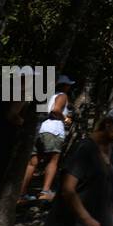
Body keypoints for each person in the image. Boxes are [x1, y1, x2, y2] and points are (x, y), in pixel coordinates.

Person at [20, 74, 76, 202]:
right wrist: (66, 119)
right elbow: (56, 110)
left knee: (33, 162)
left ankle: (21, 193)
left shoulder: (48, 96)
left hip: (41, 128)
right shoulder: (62, 95)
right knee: (53, 160)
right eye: (68, 85)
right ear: (64, 86)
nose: (69, 87)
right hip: (53, 130)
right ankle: (45, 192)